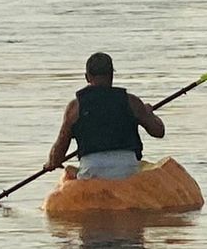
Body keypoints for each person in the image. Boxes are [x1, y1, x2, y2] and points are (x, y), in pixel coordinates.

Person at [44, 52, 165, 180]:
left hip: (91, 170)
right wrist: (149, 114)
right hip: (127, 169)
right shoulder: (132, 102)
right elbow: (158, 131)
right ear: (112, 75)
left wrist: (51, 163)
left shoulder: (75, 107)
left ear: (87, 77)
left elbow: (57, 156)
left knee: (71, 173)